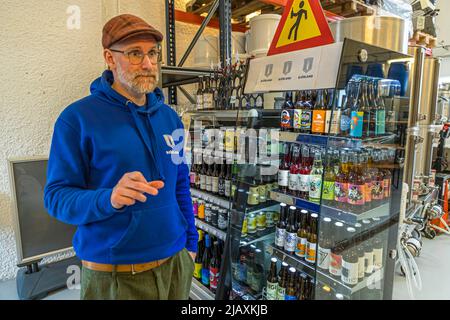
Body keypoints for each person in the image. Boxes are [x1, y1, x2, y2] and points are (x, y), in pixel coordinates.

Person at [44, 14, 198, 300]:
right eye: (135, 53)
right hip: (115, 275)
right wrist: (109, 198)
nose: (148, 64)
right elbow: (55, 198)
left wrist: (190, 242)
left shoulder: (170, 119)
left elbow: (179, 185)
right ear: (109, 58)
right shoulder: (76, 119)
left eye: (152, 53)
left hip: (176, 264)